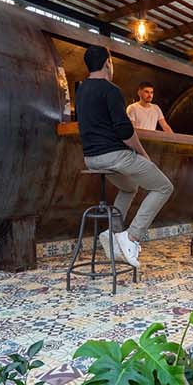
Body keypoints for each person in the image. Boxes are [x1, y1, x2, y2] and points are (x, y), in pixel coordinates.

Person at [75, 44, 173, 269]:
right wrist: (143, 153)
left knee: (129, 187)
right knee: (163, 187)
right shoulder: (110, 90)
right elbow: (125, 132)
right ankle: (131, 238)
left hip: (91, 158)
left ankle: (113, 234)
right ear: (107, 63)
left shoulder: (81, 90)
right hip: (114, 156)